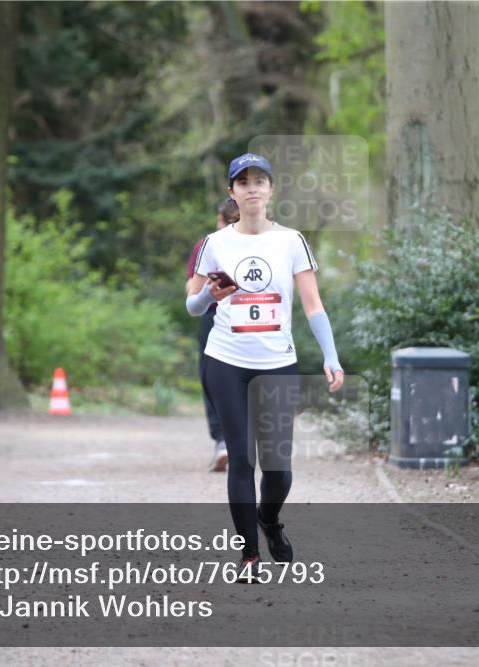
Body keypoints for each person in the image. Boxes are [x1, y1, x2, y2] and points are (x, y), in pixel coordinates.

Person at [186, 153, 345, 581]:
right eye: (243, 182)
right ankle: (249, 557)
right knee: (242, 460)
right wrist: (211, 298)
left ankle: (269, 519)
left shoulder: (291, 241)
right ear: (232, 192)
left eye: (260, 180)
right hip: (226, 361)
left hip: (277, 362)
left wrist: (330, 356)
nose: (252, 187)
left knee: (278, 469)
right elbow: (192, 304)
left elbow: (313, 306)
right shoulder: (215, 243)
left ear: (272, 189)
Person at [185, 198, 239, 471]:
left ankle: (223, 441)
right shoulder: (271, 240)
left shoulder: (207, 244)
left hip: (214, 316)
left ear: (222, 220)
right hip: (258, 320)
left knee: (212, 379)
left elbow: (191, 294)